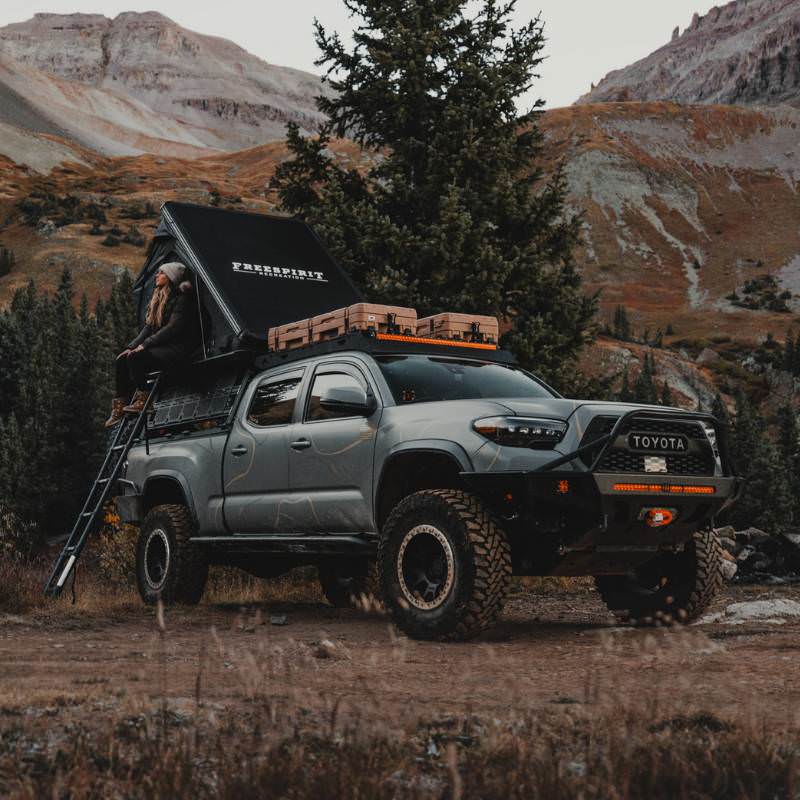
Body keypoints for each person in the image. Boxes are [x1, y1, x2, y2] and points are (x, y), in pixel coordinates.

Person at [105, 262, 201, 427]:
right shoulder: (159, 297)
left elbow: (173, 328)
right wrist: (130, 347)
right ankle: (120, 407)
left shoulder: (183, 299)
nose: (157, 275)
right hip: (162, 347)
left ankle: (144, 401)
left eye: (161, 273)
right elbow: (148, 328)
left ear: (171, 277)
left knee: (137, 357)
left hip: (178, 349)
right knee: (122, 359)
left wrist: (145, 345)